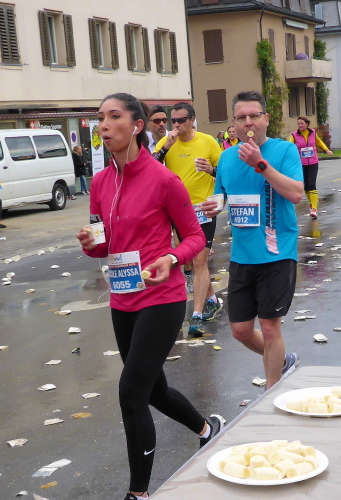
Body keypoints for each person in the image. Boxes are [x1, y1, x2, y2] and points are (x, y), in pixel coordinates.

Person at [76, 93, 225, 500]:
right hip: (122, 298)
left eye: (114, 117)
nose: (104, 125)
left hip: (162, 298)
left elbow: (194, 237)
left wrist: (172, 258)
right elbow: (102, 245)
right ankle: (208, 429)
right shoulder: (100, 183)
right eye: (100, 118)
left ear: (137, 126)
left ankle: (138, 493)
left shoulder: (164, 180)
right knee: (152, 390)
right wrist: (90, 242)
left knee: (131, 392)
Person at [201, 90, 303, 389]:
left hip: (277, 252)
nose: (248, 122)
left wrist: (260, 164)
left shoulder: (284, 151)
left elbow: (296, 194)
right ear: (234, 123)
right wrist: (215, 205)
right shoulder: (227, 157)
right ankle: (282, 360)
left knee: (270, 328)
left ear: (266, 119)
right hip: (242, 255)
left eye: (254, 116)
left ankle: (272, 393)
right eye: (241, 117)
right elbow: (222, 195)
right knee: (241, 330)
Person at [153, 102, 223, 336]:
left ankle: (196, 316)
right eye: (173, 120)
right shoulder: (167, 142)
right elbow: (149, 169)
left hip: (204, 208)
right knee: (190, 261)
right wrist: (166, 147)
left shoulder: (208, 141)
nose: (176, 125)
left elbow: (225, 173)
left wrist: (211, 170)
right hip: (178, 211)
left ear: (192, 120)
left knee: (200, 260)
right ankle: (212, 299)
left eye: (181, 120)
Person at [287, 116, 332, 219]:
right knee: (306, 187)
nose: (300, 125)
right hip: (301, 163)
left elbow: (319, 141)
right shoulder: (294, 135)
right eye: (298, 124)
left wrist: (326, 149)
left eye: (302, 123)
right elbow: (289, 146)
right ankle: (311, 203)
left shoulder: (312, 133)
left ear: (307, 124)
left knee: (312, 184)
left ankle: (314, 209)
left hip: (313, 162)